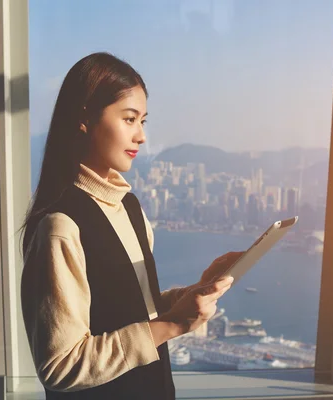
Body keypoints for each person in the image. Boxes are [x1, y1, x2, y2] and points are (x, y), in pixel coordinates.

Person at [20, 52, 242, 399]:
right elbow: (60, 365)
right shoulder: (61, 226)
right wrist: (170, 325)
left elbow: (136, 309)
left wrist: (191, 294)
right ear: (85, 119)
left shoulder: (130, 207)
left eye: (143, 121)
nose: (140, 136)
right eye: (129, 119)